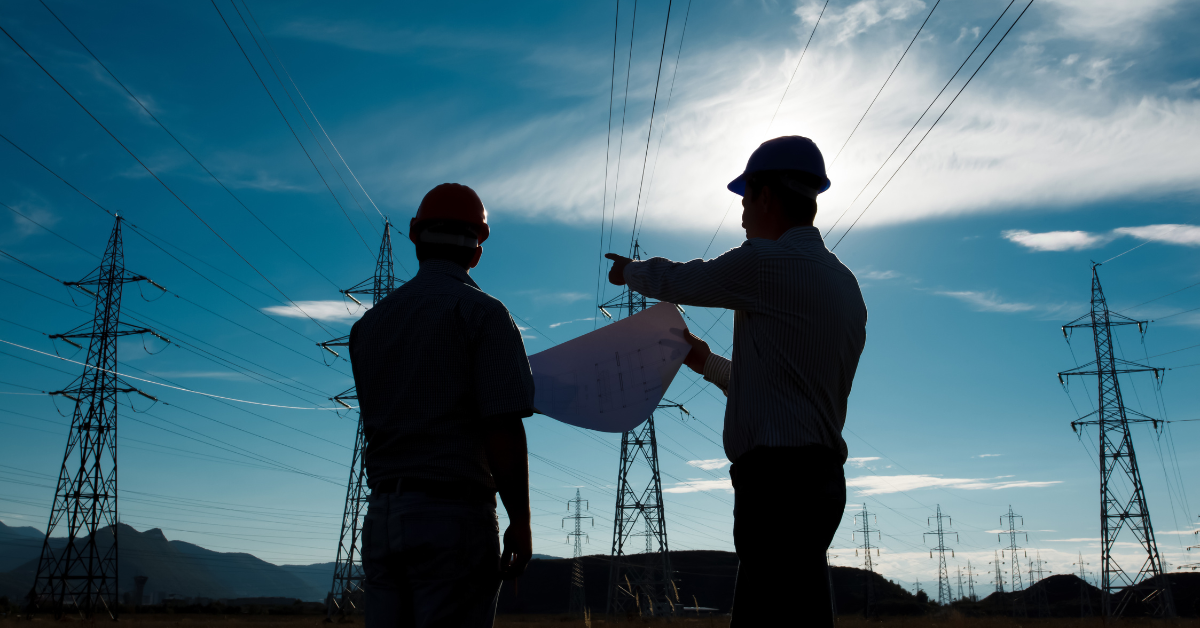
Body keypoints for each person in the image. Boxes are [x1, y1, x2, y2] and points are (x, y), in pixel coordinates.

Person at [605, 136, 867, 626]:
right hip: (821, 480)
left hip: (776, 484)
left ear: (767, 196)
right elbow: (786, 387)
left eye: (746, 199)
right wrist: (706, 362)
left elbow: (686, 280)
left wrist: (629, 273)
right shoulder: (845, 283)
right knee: (802, 609)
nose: (743, 214)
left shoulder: (765, 263)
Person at [350, 183, 536, 628]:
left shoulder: (368, 327)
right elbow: (502, 427)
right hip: (453, 517)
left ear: (415, 236)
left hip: (380, 517)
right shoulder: (485, 315)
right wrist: (521, 521)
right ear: (477, 251)